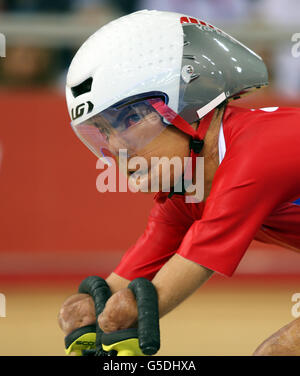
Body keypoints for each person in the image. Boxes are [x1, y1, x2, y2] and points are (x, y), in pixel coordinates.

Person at [58, 10, 300, 355]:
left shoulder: (257, 153)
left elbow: (192, 263)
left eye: (130, 118)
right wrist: (88, 310)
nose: (114, 147)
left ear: (189, 103)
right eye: (105, 131)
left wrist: (128, 315)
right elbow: (137, 268)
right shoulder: (190, 183)